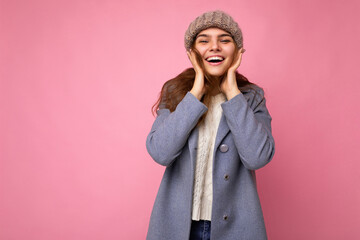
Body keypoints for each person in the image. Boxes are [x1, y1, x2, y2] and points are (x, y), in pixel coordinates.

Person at [145, 10, 275, 240]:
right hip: (178, 229)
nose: (214, 47)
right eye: (204, 40)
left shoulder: (252, 97)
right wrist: (195, 92)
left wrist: (233, 93)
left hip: (237, 229)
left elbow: (257, 157)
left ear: (237, 50)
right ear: (192, 52)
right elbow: (161, 152)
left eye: (224, 40)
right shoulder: (175, 92)